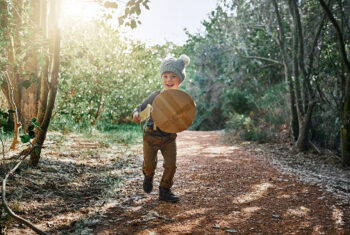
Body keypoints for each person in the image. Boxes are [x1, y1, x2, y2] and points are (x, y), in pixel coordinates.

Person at [132, 54, 190, 203]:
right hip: (151, 136)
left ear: (180, 79)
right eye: (165, 76)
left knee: (171, 165)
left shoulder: (181, 98)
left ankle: (165, 190)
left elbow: (186, 115)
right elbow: (141, 107)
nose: (169, 80)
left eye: (173, 76)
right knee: (150, 165)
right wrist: (136, 113)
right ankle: (148, 175)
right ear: (161, 78)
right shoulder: (156, 95)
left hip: (169, 138)